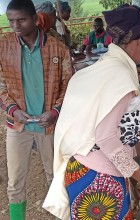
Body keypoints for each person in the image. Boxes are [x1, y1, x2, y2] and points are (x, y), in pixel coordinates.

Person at [43, 4, 140, 219]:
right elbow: (106, 137)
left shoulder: (106, 65)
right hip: (100, 178)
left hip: (83, 168)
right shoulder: (119, 75)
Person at [0, 0, 73, 219]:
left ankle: (60, 215)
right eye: (11, 21)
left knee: (55, 177)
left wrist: (55, 112)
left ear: (34, 18)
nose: (16, 26)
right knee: (15, 182)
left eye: (21, 20)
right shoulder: (4, 46)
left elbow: (68, 85)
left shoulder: (56, 47)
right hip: (18, 125)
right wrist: (13, 111)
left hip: (48, 125)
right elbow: (1, 86)